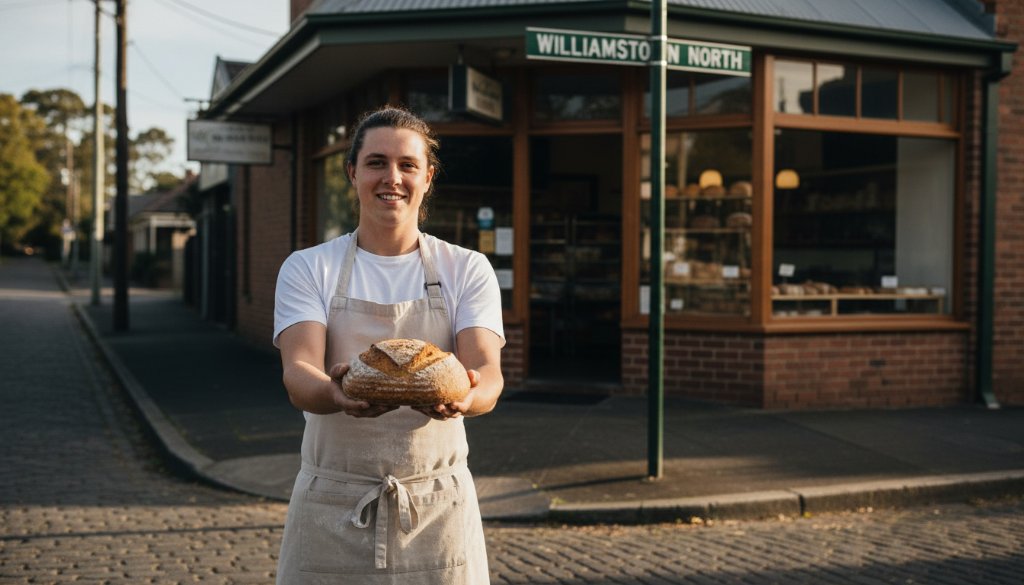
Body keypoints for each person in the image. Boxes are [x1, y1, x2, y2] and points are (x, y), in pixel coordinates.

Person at [272, 106, 505, 583]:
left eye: (407, 165)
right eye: (377, 162)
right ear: (352, 171)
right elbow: (298, 372)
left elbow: (488, 372)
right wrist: (335, 395)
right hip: (332, 501)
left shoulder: (466, 268)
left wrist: (467, 398)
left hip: (436, 508)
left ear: (428, 177)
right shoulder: (308, 267)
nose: (391, 178)